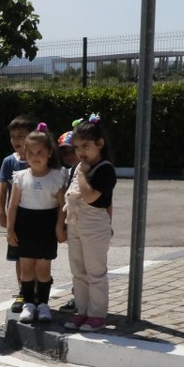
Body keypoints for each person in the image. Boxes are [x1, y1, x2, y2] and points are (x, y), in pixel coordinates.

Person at [6, 125, 68, 324]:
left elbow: (61, 206)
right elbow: (13, 205)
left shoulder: (57, 176)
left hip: (46, 227)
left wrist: (60, 227)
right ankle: (28, 304)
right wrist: (10, 230)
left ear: (49, 152)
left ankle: (43, 304)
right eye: (30, 152)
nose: (35, 156)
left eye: (40, 152)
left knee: (43, 269)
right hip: (25, 226)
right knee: (26, 269)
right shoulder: (20, 177)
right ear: (25, 154)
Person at [65, 114, 117, 331]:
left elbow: (90, 197)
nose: (80, 152)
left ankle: (97, 315)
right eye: (77, 148)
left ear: (100, 144)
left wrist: (84, 174)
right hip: (75, 222)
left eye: (85, 146)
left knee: (95, 272)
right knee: (78, 270)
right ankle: (82, 310)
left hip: (94, 224)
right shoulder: (78, 169)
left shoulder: (104, 169)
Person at [0, 115, 35, 315]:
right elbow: (3, 189)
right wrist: (2, 214)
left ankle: (37, 291)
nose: (16, 140)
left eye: (21, 136)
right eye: (13, 136)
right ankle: (23, 290)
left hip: (37, 217)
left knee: (38, 255)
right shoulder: (9, 162)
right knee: (20, 256)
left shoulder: (39, 160)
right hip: (17, 218)